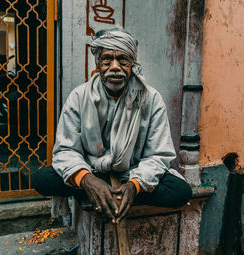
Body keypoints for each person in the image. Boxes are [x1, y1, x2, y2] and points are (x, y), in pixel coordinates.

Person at [32, 28, 192, 224]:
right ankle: (98, 191)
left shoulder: (151, 99)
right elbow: (66, 150)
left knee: (180, 192)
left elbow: (158, 155)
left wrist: (135, 185)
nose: (115, 67)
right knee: (42, 179)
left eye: (122, 60)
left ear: (132, 64)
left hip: (132, 173)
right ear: (98, 63)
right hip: (91, 170)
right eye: (107, 60)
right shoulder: (79, 96)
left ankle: (114, 196)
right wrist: (87, 179)